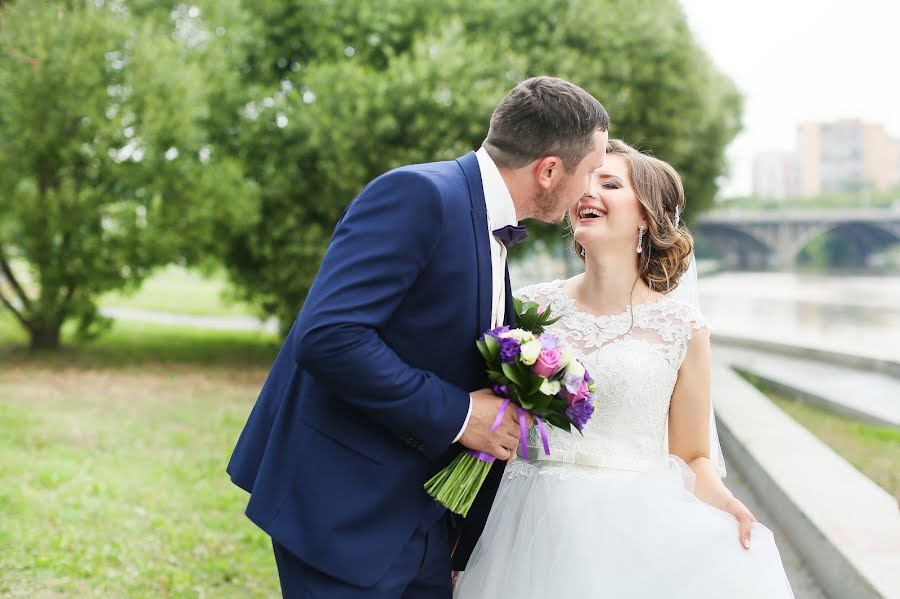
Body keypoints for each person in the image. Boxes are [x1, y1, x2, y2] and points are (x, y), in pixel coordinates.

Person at [226, 76, 610, 597]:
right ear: (548, 170)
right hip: (344, 511)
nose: (590, 190)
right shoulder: (420, 195)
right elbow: (330, 335)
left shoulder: (491, 230)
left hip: (423, 525)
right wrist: (459, 415)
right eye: (590, 171)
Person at [454, 140, 795, 598]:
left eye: (610, 183)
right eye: (586, 180)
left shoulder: (682, 329)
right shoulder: (527, 306)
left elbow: (693, 454)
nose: (588, 191)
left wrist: (724, 502)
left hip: (628, 534)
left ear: (646, 218)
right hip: (523, 523)